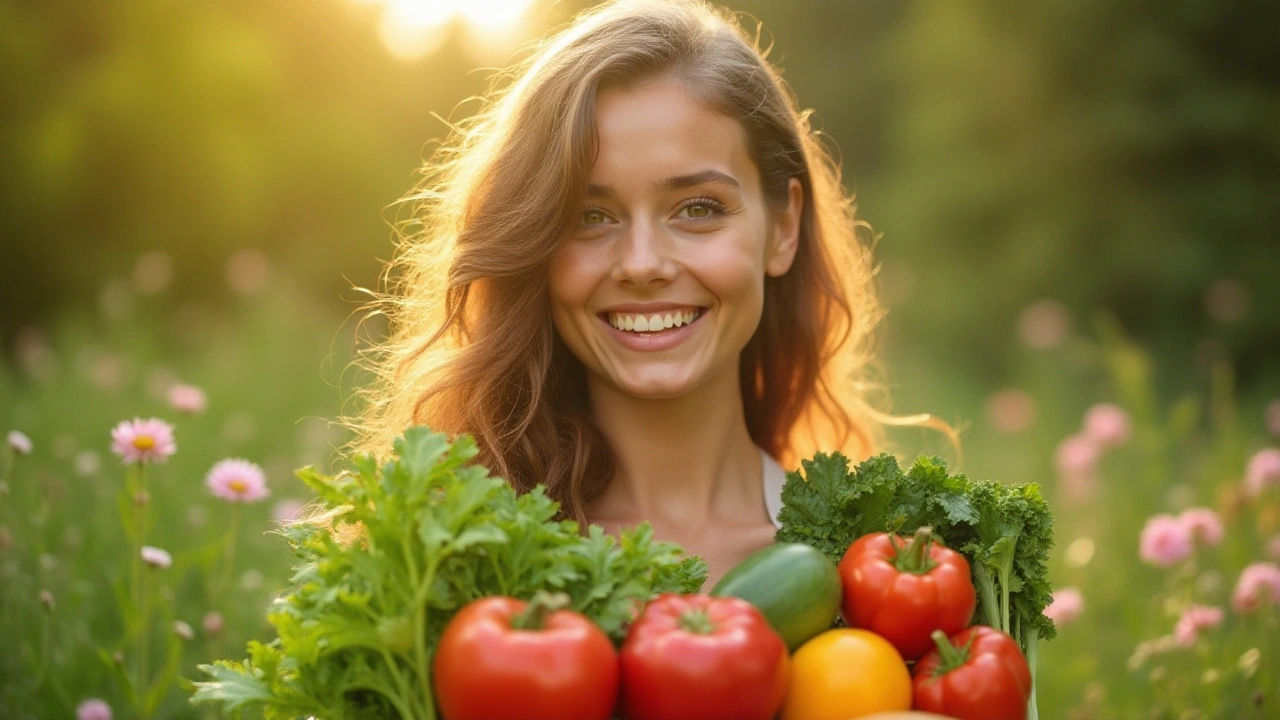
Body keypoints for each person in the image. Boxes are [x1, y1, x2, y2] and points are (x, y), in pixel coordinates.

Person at [350, 0, 936, 587]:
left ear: (782, 229)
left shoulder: (894, 574)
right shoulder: (440, 568)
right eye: (589, 216)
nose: (641, 264)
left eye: (698, 209)